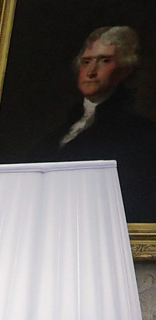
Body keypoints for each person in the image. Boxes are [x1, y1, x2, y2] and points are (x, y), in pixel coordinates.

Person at [27, 25, 155, 222]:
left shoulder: (141, 134)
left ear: (125, 70)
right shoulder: (61, 132)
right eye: (86, 62)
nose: (91, 72)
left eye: (104, 61)